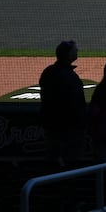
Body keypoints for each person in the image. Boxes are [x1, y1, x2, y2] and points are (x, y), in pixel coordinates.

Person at [38, 40, 87, 168]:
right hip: (69, 125)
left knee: (52, 156)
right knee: (71, 158)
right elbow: (76, 103)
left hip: (51, 122)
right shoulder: (69, 77)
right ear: (69, 55)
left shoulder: (48, 71)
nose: (77, 52)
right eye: (75, 50)